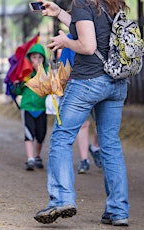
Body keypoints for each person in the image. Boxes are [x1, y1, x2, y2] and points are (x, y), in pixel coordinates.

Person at [34, 0, 130, 226]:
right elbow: (90, 28)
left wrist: (65, 41)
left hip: (88, 81)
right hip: (116, 83)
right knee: (110, 145)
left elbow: (87, 46)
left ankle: (61, 198)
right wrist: (59, 13)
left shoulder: (82, 2)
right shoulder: (111, 3)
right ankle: (118, 210)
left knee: (61, 137)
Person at [59, 36, 102, 174]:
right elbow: (63, 66)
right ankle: (84, 160)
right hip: (77, 86)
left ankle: (95, 147)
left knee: (101, 123)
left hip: (98, 84)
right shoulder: (68, 38)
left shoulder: (98, 33)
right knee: (83, 124)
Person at [11, 43, 48, 171]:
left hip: (42, 108)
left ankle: (37, 156)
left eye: (40, 58)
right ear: (29, 58)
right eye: (34, 57)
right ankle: (30, 158)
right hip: (27, 108)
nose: (37, 60)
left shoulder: (47, 73)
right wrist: (16, 86)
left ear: (44, 59)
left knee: (41, 134)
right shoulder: (24, 74)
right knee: (29, 134)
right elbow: (18, 92)